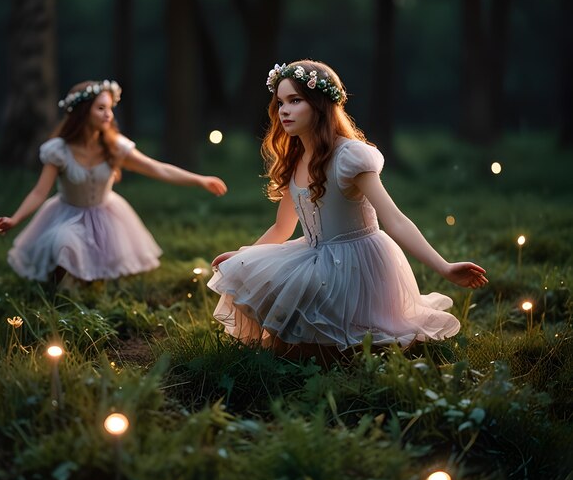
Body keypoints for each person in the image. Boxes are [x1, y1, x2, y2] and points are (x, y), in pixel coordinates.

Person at [208, 60, 487, 360]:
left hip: (358, 263)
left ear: (320, 105)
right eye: (280, 103)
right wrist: (244, 256)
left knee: (335, 345)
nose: (284, 110)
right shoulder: (295, 159)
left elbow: (394, 220)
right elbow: (282, 228)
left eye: (295, 100)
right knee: (285, 334)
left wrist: (444, 267)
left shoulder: (350, 156)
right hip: (315, 254)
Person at [0, 79, 227, 283]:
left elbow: (158, 169)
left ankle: (92, 287)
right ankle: (62, 295)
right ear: (83, 112)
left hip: (106, 214)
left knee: (102, 264)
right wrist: (15, 219)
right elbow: (39, 192)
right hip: (68, 213)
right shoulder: (60, 151)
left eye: (110, 108)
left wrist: (200, 180)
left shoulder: (115, 147)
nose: (109, 114)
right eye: (101, 108)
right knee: (63, 244)